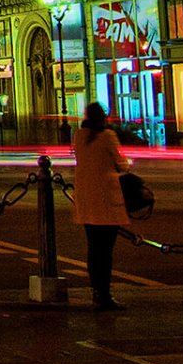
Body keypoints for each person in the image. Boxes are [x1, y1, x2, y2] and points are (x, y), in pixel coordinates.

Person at [73, 101, 132, 312]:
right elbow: (122, 164)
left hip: (87, 202)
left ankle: (96, 292)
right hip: (107, 202)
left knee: (93, 249)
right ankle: (105, 295)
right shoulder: (107, 137)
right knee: (106, 252)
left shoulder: (79, 137)